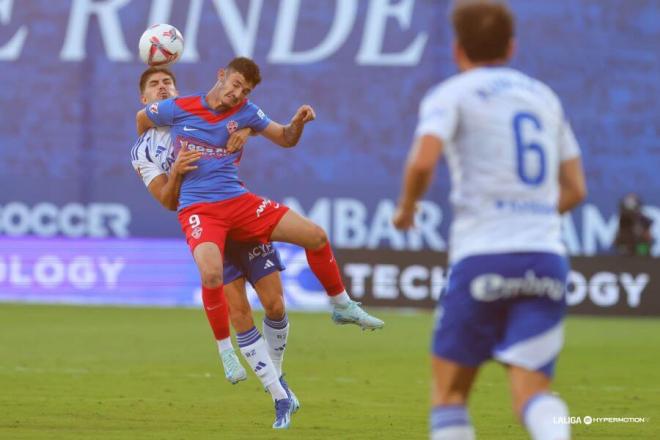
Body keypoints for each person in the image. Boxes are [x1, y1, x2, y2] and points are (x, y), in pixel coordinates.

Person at [135, 58, 384, 429]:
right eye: (234, 84)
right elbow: (164, 188)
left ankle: (341, 305)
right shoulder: (157, 134)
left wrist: (292, 124)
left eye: (244, 90)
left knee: (300, 262)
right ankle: (251, 373)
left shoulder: (241, 112)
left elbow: (284, 137)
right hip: (203, 212)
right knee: (217, 282)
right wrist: (175, 171)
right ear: (221, 76)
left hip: (240, 205)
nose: (237, 93)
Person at [392, 2, 587, 439]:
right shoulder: (544, 97)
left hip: (482, 257)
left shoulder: (451, 94)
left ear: (458, 49)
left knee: (450, 397)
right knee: (533, 395)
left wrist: (407, 210)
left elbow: (423, 162)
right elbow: (576, 189)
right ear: (512, 47)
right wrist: (532, 215)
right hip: (546, 259)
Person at [130, 66, 299, 423]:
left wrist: (249, 130)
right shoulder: (143, 151)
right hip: (209, 226)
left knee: (276, 304)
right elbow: (166, 200)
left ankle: (278, 374)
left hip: (242, 219)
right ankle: (278, 394)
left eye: (168, 83)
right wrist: (176, 172)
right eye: (154, 86)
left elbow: (245, 116)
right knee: (239, 312)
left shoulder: (196, 111)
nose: (163, 88)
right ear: (145, 100)